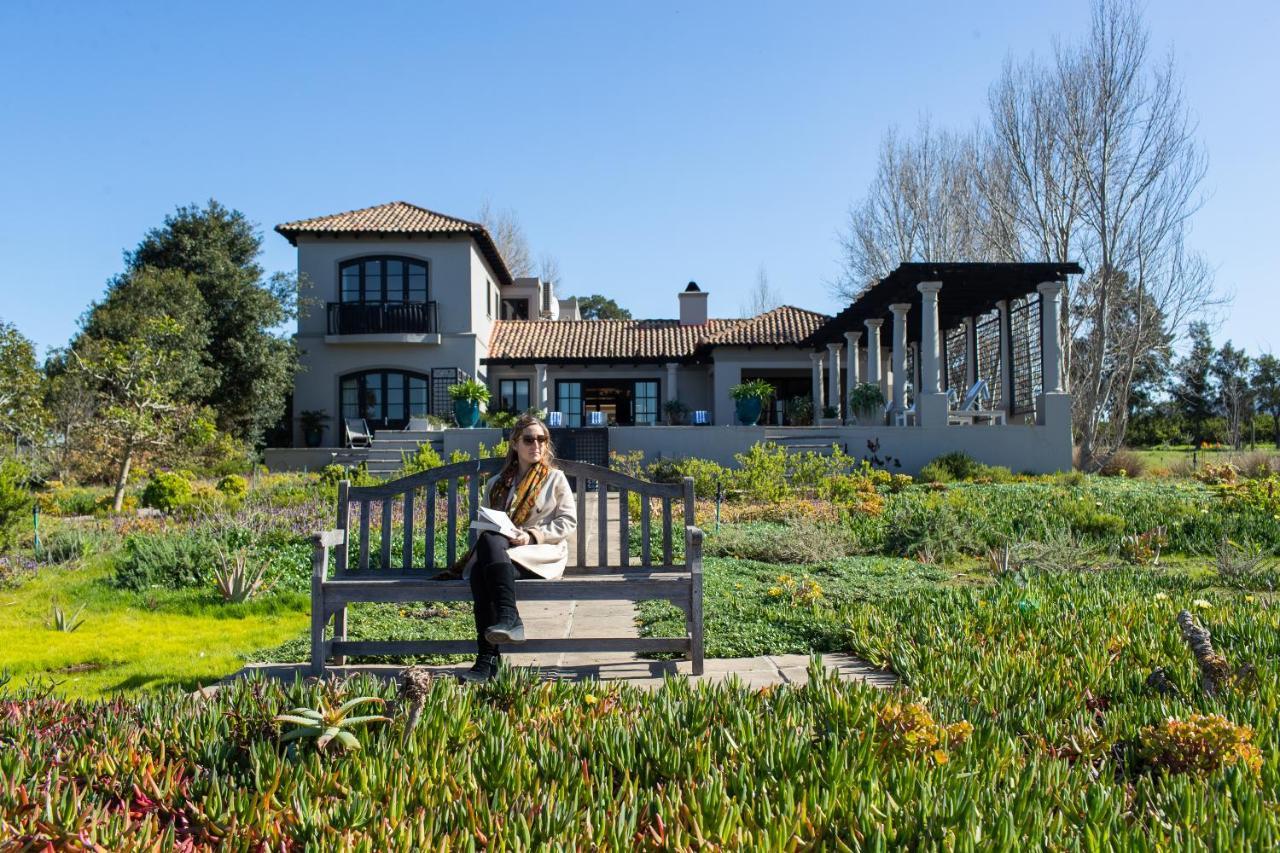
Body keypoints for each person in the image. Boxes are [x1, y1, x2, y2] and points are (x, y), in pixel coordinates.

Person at [456, 414, 576, 683]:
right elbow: (484, 524)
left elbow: (568, 522)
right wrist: (505, 534)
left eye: (542, 440)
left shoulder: (554, 479)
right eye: (529, 439)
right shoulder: (497, 483)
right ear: (514, 444)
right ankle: (505, 628)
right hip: (504, 555)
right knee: (487, 546)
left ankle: (488, 657)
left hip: (540, 553)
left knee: (482, 569)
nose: (537, 445)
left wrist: (531, 536)